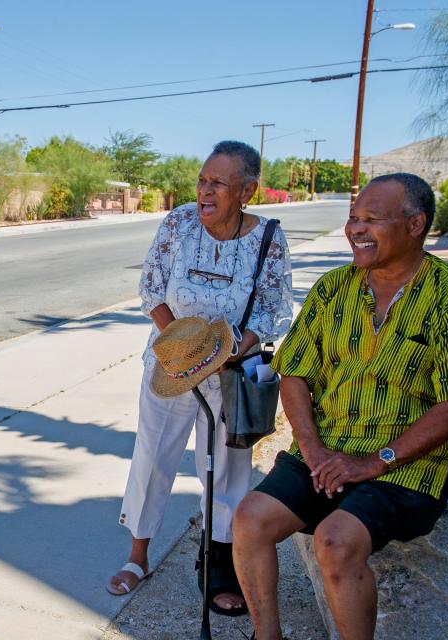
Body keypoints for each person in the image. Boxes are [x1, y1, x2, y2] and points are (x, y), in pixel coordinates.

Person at [233, 173, 448, 640]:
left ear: (415, 224)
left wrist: (373, 462)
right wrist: (315, 452)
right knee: (250, 519)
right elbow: (295, 372)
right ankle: (266, 636)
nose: (355, 229)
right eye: (353, 217)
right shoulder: (333, 289)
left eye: (371, 219)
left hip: (407, 465)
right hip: (328, 452)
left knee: (335, 541)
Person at [109, 141, 293, 616]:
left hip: (231, 374)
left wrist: (233, 349)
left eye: (218, 183)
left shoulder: (269, 238)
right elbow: (151, 285)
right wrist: (180, 347)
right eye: (202, 180)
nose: (205, 191)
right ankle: (137, 556)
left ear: (247, 191)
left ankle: (219, 569)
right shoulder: (178, 223)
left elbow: (274, 307)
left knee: (227, 473)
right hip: (171, 366)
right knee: (152, 457)